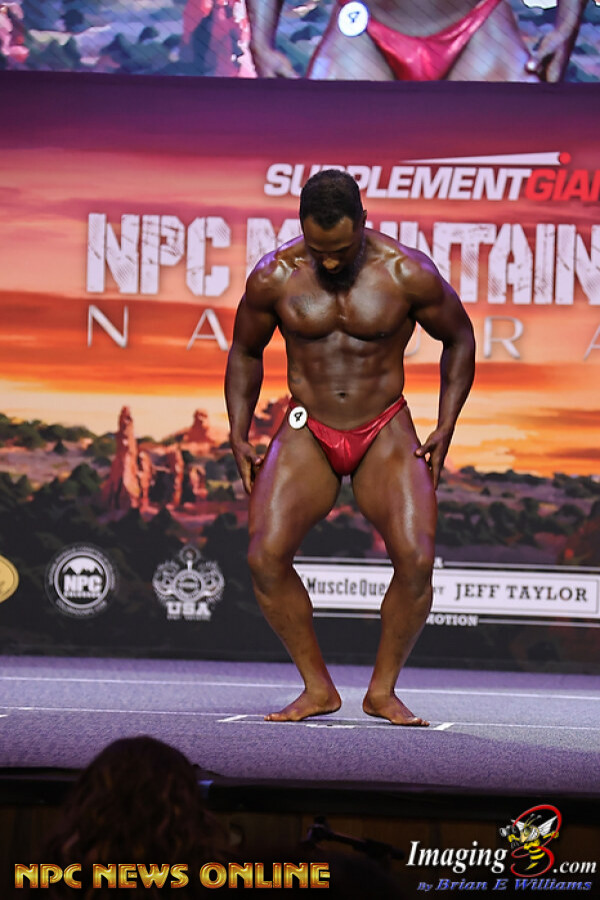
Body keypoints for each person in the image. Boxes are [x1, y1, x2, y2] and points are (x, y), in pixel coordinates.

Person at [225, 169, 475, 726]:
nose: (332, 262)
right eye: (320, 251)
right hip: (307, 423)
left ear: (364, 221)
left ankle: (382, 692)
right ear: (302, 228)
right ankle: (318, 689)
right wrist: (238, 431)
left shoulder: (406, 272)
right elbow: (245, 350)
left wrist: (446, 424)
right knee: (264, 557)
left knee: (417, 559)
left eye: (342, 248)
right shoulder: (275, 275)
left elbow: (459, 338)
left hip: (383, 423)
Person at [247, 0, 587, 82]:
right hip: (365, 30)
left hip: (477, 25)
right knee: (320, 170)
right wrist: (260, 42)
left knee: (522, 159)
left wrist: (567, 26)